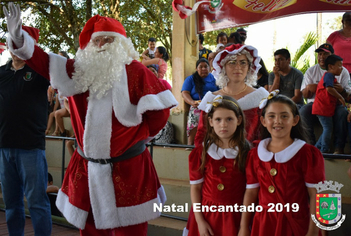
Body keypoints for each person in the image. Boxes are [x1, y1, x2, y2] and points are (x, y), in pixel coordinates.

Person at [4, 3, 178, 235]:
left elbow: (159, 113)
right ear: (89, 45)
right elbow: (42, 60)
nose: (101, 45)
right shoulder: (76, 70)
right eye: (97, 40)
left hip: (129, 167)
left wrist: (135, 138)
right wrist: (18, 38)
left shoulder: (137, 72)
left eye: (108, 40)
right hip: (86, 169)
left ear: (120, 44)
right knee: (90, 229)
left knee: (131, 230)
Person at [238, 92, 325, 236]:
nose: (277, 121)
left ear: (295, 120)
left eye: (284, 116)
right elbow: (251, 192)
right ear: (263, 121)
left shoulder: (308, 154)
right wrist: (243, 227)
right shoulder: (255, 154)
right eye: (271, 116)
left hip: (297, 223)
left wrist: (313, 232)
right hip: (264, 223)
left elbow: (317, 195)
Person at [0, 25, 52, 235]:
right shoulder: (1, 72)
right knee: (11, 204)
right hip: (4, 147)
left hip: (31, 148)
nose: (15, 46)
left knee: (37, 203)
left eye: (21, 41)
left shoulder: (40, 71)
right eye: (13, 41)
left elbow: (55, 67)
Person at [183, 95, 250, 236]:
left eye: (229, 119)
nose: (223, 124)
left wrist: (244, 226)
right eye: (218, 119)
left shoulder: (248, 153)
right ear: (210, 122)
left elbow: (251, 193)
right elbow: (195, 188)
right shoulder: (201, 152)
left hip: (236, 217)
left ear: (239, 120)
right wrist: (200, 222)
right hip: (207, 216)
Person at [195, 44, 269, 146]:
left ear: (249, 67)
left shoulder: (261, 98)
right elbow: (201, 136)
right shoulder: (211, 99)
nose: (238, 67)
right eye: (232, 62)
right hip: (218, 159)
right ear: (223, 67)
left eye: (243, 62)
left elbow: (267, 136)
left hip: (251, 158)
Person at [300, 44, 350, 152]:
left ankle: (338, 147)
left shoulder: (342, 71)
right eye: (320, 54)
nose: (322, 57)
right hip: (316, 104)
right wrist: (308, 89)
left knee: (342, 113)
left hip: (335, 104)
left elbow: (348, 95)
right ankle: (310, 145)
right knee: (303, 111)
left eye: (325, 54)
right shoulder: (311, 71)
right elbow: (304, 95)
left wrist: (342, 91)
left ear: (332, 56)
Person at [312, 55, 346, 153]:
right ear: (331, 66)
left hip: (325, 108)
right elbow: (329, 88)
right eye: (339, 66)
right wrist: (340, 97)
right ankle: (324, 150)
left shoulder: (331, 76)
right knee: (328, 128)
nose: (342, 68)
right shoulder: (328, 75)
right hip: (322, 108)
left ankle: (316, 148)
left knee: (327, 128)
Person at [181, 58, 219, 145]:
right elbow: (184, 93)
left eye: (206, 66)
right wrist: (192, 102)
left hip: (212, 107)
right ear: (196, 69)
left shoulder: (214, 78)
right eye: (200, 67)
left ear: (209, 68)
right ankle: (191, 145)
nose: (203, 69)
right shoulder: (190, 79)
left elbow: (222, 91)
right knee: (195, 115)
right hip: (197, 106)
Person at [327, 12, 351, 98]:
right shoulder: (333, 36)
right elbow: (328, 53)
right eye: (348, 20)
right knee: (340, 95)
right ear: (342, 21)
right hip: (339, 71)